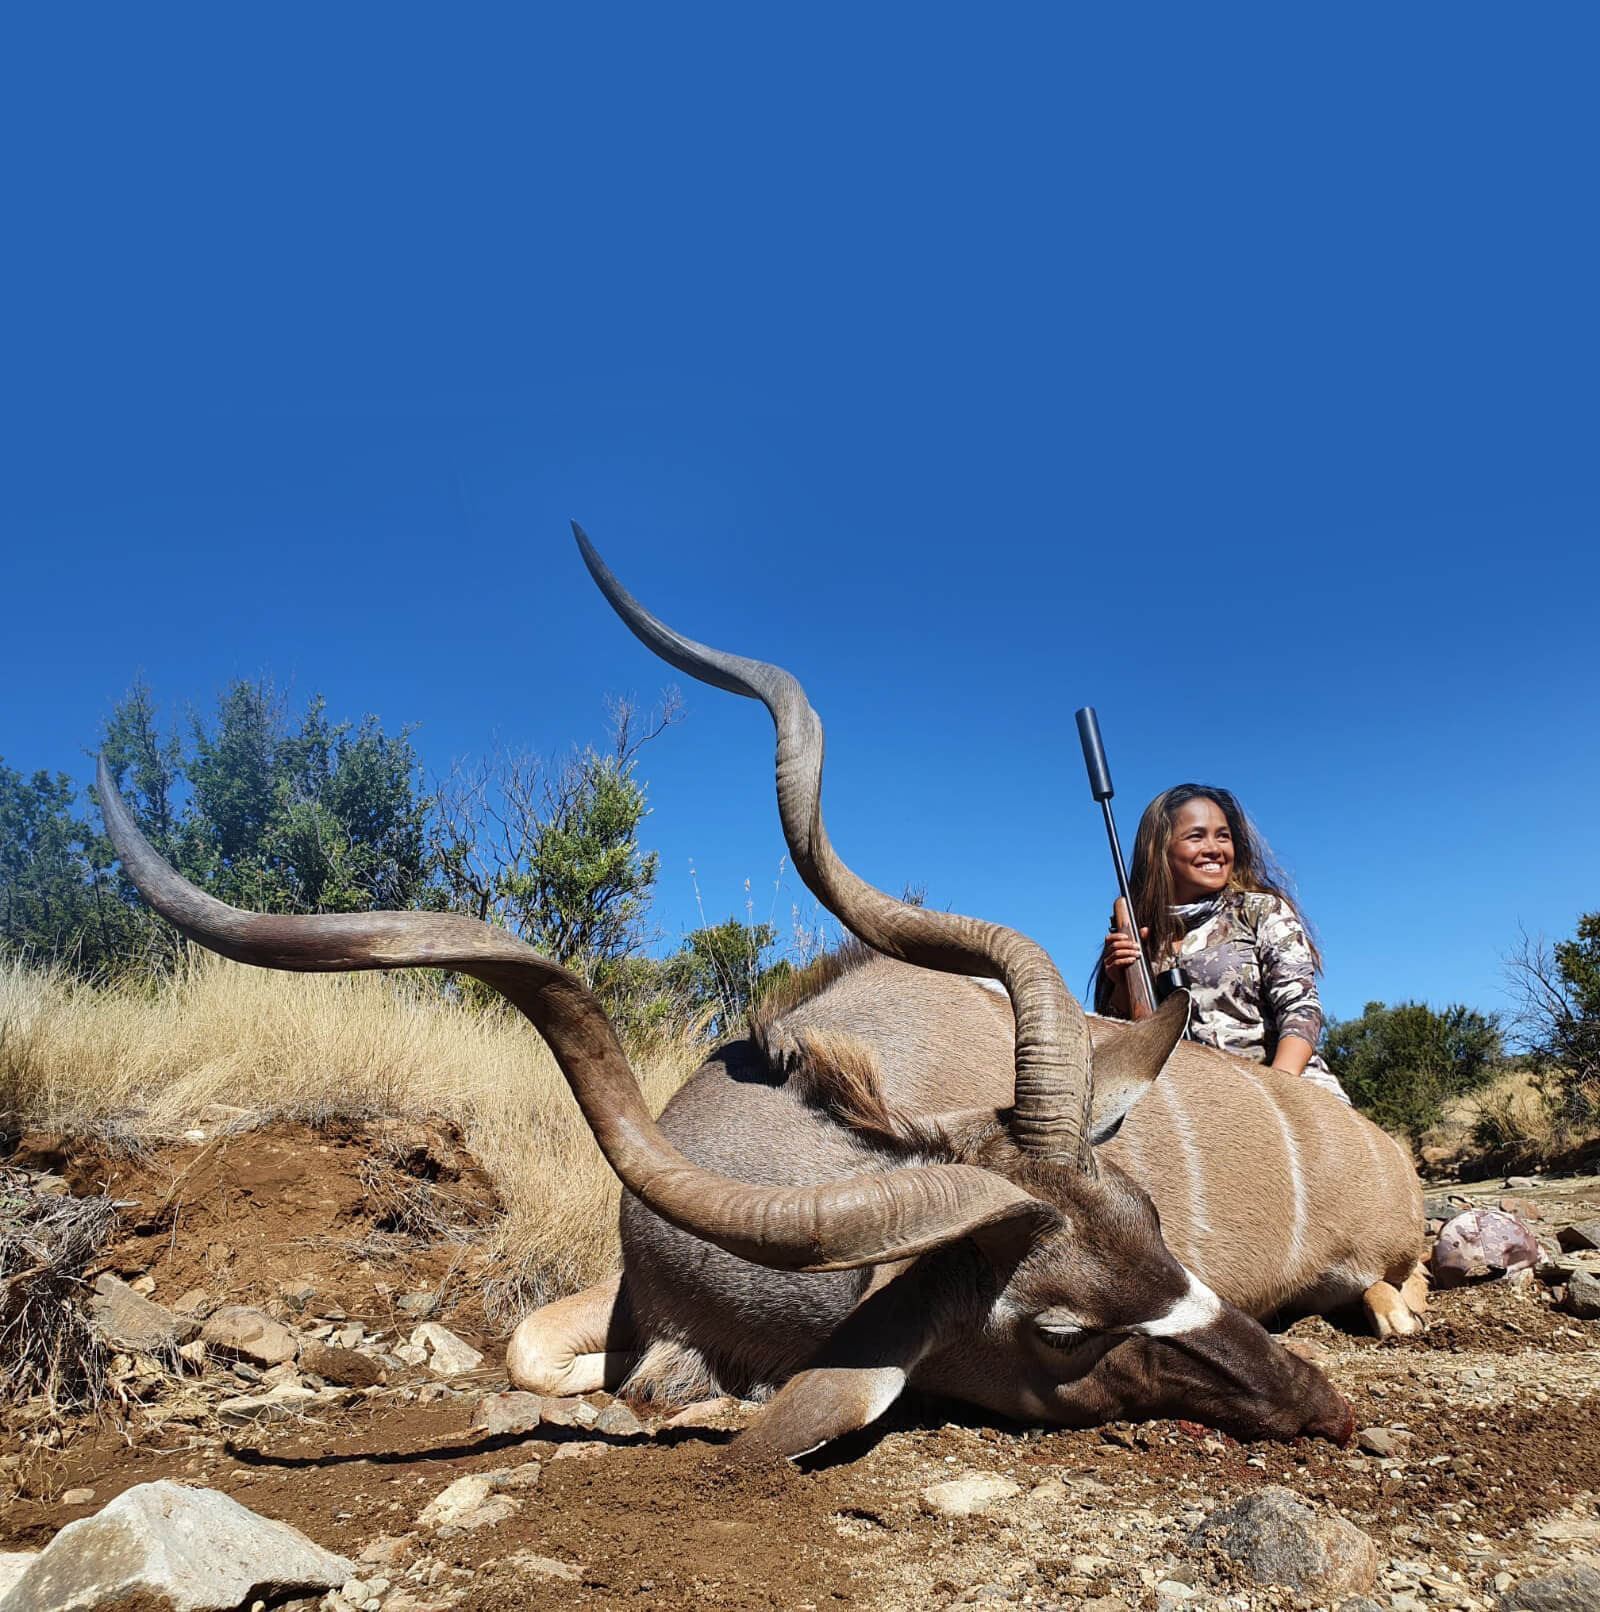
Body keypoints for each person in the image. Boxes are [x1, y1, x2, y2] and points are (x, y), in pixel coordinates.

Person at [1094, 783, 1347, 1100]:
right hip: (1194, 1101)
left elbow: (1301, 1010)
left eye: (1223, 836)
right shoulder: (1142, 935)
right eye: (1196, 836)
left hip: (1285, 1091)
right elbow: (1129, 1048)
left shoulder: (1259, 911)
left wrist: (1275, 1093)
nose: (1214, 848)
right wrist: (1119, 984)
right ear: (1160, 850)